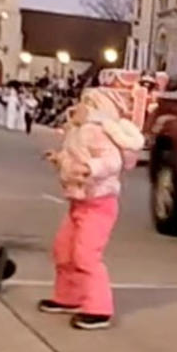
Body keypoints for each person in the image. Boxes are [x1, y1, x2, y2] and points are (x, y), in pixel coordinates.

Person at [39, 88, 143, 330]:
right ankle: (68, 296)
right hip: (80, 202)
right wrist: (60, 159)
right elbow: (73, 158)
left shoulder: (97, 132)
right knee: (64, 249)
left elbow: (112, 162)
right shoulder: (78, 133)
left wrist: (90, 168)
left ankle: (99, 308)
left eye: (86, 103)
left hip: (99, 204)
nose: (78, 107)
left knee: (86, 254)